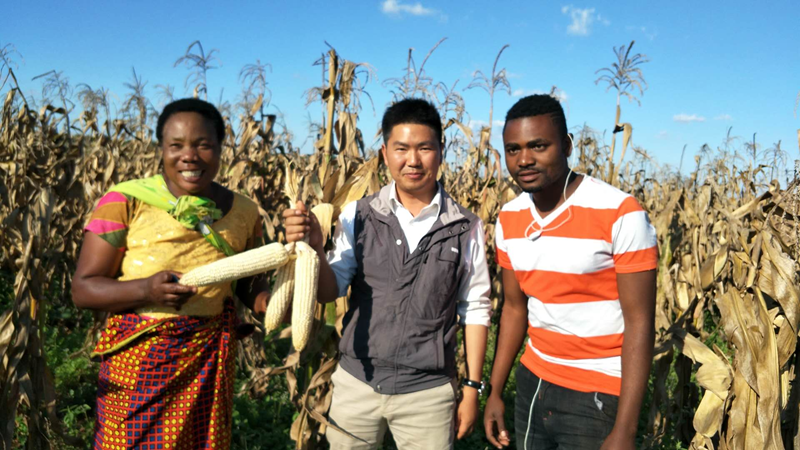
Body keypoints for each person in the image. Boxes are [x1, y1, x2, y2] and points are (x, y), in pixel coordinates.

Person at [283, 98, 492, 449]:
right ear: (384, 153)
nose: (413, 160)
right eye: (401, 148)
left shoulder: (465, 227)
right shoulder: (358, 215)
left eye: (425, 148)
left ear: (441, 151)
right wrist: (315, 249)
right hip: (357, 384)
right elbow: (328, 292)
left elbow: (475, 310)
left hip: (428, 393)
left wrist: (471, 389)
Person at [72, 98, 269, 449]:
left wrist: (275, 300)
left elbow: (249, 284)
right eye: (176, 145)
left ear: (220, 148)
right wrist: (146, 291)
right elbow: (83, 289)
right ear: (161, 149)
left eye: (203, 145)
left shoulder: (244, 211)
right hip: (139, 365)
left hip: (207, 359)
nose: (189, 156)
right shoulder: (124, 201)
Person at [483, 94, 657, 450]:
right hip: (533, 381)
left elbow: (640, 321)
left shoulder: (620, 212)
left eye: (538, 146)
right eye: (513, 149)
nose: (524, 159)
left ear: (566, 146)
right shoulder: (509, 218)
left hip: (597, 391)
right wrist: (495, 391)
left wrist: (625, 430)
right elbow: (514, 308)